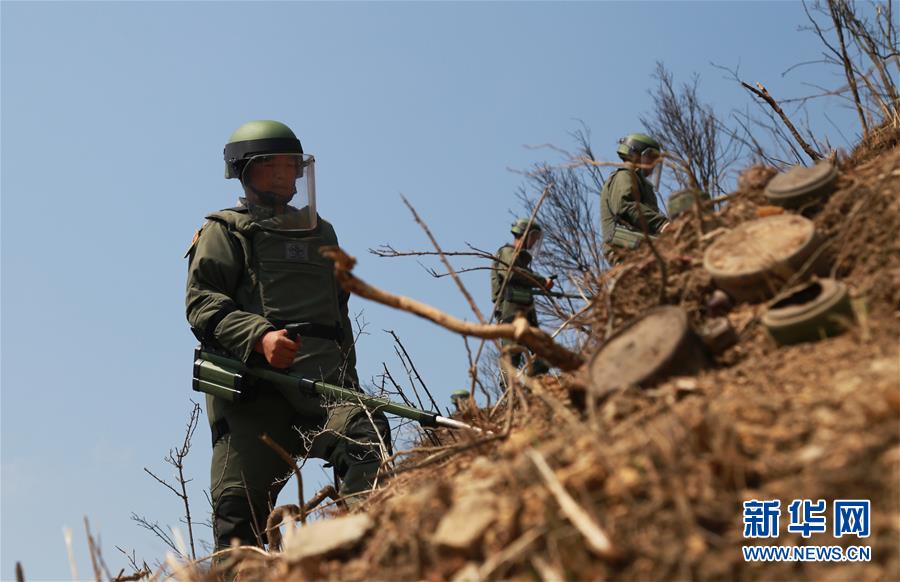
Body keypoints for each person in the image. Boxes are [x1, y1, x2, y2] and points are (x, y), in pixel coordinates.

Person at [185, 120, 390, 553]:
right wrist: (259, 338)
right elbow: (202, 303)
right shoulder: (224, 232)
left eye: (290, 166)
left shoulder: (322, 234)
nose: (283, 175)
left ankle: (357, 558)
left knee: (366, 435)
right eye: (270, 167)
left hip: (324, 388)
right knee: (238, 533)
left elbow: (339, 315)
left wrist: (348, 381)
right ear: (244, 173)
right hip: (254, 399)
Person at [490, 218, 553, 374]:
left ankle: (535, 389)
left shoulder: (520, 260)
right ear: (526, 236)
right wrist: (541, 281)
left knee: (543, 355)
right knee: (512, 357)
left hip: (526, 312)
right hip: (511, 313)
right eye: (534, 238)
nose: (534, 243)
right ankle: (511, 393)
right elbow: (512, 273)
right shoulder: (507, 252)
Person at [599, 133, 669, 263]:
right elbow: (625, 206)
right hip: (626, 250)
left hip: (639, 249)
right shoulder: (624, 176)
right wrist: (662, 224)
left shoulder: (638, 181)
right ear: (635, 154)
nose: (653, 165)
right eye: (650, 158)